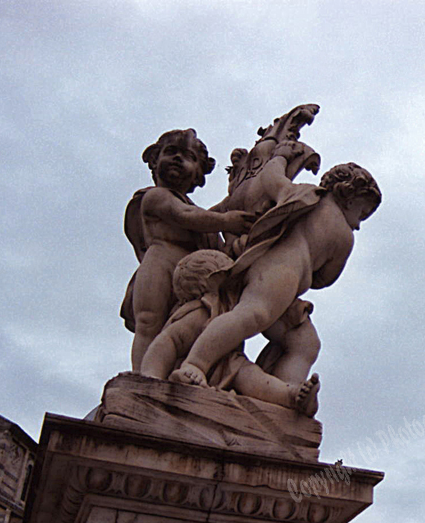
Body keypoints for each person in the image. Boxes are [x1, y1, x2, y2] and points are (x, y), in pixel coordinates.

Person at [170, 162, 380, 387]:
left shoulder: (303, 194)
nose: (358, 225)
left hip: (279, 281)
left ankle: (286, 395)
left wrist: (280, 158)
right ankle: (195, 364)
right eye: (362, 213)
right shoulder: (344, 235)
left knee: (305, 342)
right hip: (281, 274)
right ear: (349, 197)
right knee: (252, 315)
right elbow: (326, 278)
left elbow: (271, 179)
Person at [120, 129, 253, 371]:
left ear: (198, 176)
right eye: (171, 152)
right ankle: (141, 377)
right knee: (150, 322)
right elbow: (186, 215)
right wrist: (227, 220)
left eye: (189, 157)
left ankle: (172, 371)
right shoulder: (155, 197)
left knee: (186, 327)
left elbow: (206, 217)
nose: (178, 159)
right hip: (160, 264)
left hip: (192, 277)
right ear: (154, 161)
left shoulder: (200, 214)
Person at [141, 249, 320, 415]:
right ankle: (290, 395)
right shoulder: (201, 312)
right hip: (191, 371)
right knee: (247, 374)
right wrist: (151, 379)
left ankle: (291, 395)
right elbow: (167, 342)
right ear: (214, 281)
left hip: (230, 362)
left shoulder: (229, 310)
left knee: (252, 376)